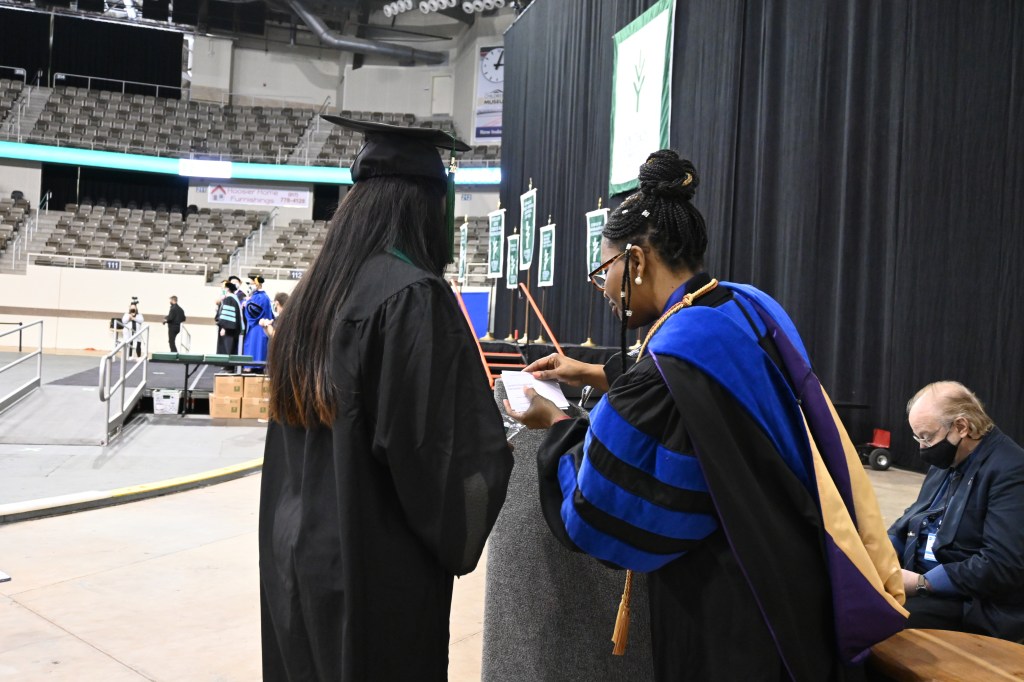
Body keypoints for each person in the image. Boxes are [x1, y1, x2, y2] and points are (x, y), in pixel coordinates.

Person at [505, 150, 907, 681]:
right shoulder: (745, 306)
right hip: (795, 568)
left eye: (604, 270)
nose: (603, 288)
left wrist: (554, 425)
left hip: (730, 607)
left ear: (637, 262)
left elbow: (599, 511)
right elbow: (699, 390)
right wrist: (593, 373)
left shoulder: (672, 360)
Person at [260, 116, 513, 681]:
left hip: (297, 560)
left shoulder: (309, 299)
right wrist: (499, 453)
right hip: (373, 568)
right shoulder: (413, 298)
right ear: (426, 207)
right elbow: (445, 460)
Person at [888, 381, 1024, 642]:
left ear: (961, 427)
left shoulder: (1011, 470)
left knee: (877, 621)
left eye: (927, 437)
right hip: (923, 581)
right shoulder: (947, 461)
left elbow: (1001, 564)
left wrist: (922, 584)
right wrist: (882, 549)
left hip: (973, 603)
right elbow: (915, 515)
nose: (922, 448)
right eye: (918, 438)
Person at [242, 275, 273, 365]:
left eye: (250, 284)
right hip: (259, 326)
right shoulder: (263, 296)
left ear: (256, 284)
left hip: (258, 326)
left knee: (256, 348)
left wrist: (247, 304)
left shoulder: (259, 297)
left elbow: (254, 311)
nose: (249, 286)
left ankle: (254, 367)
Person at [215, 282, 244, 355]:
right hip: (231, 330)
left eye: (223, 288)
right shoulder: (234, 299)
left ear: (227, 289)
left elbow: (227, 316)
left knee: (226, 352)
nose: (222, 290)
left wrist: (224, 328)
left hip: (228, 331)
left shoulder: (229, 299)